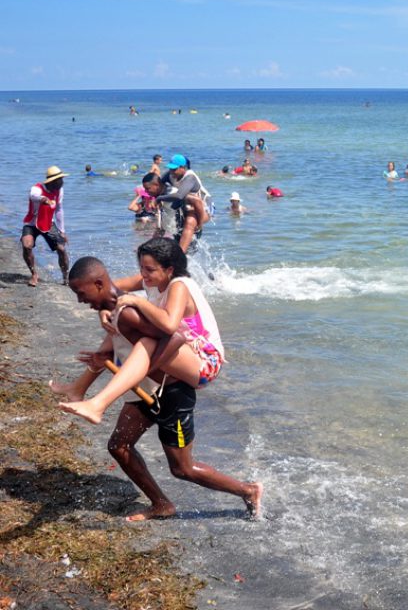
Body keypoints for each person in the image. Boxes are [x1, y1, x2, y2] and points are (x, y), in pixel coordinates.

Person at [54, 254, 262, 521]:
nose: (80, 301)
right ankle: (162, 504)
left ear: (98, 284)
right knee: (119, 446)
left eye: (82, 294)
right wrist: (106, 357)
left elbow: (174, 337)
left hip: (171, 395)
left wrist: (144, 368)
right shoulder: (119, 309)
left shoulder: (130, 312)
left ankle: (248, 490)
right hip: (146, 391)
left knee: (183, 469)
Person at [59, 238, 224, 424]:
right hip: (179, 347)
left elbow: (170, 325)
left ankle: (98, 404)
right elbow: (107, 288)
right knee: (117, 320)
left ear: (169, 270)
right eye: (142, 268)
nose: (144, 274)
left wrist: (138, 301)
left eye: (150, 269)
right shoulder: (151, 280)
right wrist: (104, 310)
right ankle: (79, 388)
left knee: (138, 331)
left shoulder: (179, 285)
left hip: (205, 361)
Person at [21, 165, 70, 287]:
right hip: (31, 223)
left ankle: (66, 278)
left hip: (48, 223)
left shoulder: (59, 191)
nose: (62, 182)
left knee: (61, 249)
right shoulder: (37, 188)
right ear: (52, 182)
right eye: (60, 180)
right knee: (27, 245)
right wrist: (44, 199)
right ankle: (34, 274)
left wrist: (62, 230)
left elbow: (59, 210)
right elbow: (33, 196)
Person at [158, 155, 213, 251]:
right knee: (178, 232)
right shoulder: (171, 174)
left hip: (204, 207)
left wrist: (159, 198)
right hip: (186, 206)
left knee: (190, 221)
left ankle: (181, 256)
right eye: (170, 168)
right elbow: (157, 183)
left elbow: (179, 195)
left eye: (174, 169)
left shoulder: (190, 178)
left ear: (182, 168)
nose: (171, 172)